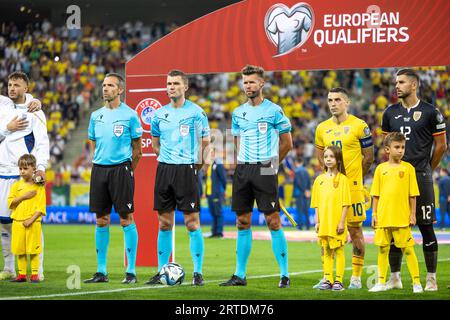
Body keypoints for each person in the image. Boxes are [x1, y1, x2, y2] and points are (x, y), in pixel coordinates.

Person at [219, 65, 293, 288]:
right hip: (243, 169)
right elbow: (237, 141)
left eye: (252, 82)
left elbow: (287, 143)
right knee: (242, 222)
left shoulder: (274, 110)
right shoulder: (238, 113)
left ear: (261, 84)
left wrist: (271, 166)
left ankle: (284, 275)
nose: (248, 85)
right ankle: (239, 275)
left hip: (265, 168)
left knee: (273, 221)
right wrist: (242, 162)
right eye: (245, 82)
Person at [381, 68, 447, 291]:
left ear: (414, 85)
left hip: (421, 176)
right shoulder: (389, 113)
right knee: (394, 228)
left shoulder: (431, 112)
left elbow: (441, 146)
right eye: (395, 82)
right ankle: (395, 278)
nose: (396, 86)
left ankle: (430, 278)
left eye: (401, 82)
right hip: (395, 178)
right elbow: (386, 146)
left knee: (426, 226)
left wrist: (428, 167)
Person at [147, 69, 210, 286]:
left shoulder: (197, 113)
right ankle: (161, 271)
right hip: (165, 170)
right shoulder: (159, 114)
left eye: (175, 83)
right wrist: (167, 158)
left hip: (187, 170)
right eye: (168, 83)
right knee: (164, 224)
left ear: (185, 87)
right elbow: (155, 144)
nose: (170, 87)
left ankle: (198, 273)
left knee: (192, 223)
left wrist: (194, 167)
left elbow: (205, 144)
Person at [84, 73, 143, 284]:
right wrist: (99, 161)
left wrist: (128, 170)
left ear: (120, 90)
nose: (105, 89)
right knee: (101, 219)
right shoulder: (95, 115)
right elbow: (93, 143)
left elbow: (138, 151)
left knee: (126, 218)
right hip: (99, 170)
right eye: (103, 85)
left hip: (121, 170)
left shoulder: (130, 115)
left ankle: (131, 271)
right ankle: (101, 271)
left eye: (110, 85)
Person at [314, 87, 374, 289]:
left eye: (338, 99)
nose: (333, 103)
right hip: (331, 189)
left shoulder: (359, 125)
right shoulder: (322, 128)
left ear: (347, 102)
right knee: (326, 233)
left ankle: (356, 277)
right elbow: (320, 155)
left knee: (355, 231)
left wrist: (355, 179)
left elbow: (369, 157)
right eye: (330, 99)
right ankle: (327, 277)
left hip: (354, 188)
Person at [0, 72, 47, 281]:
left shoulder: (35, 111)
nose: (12, 88)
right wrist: (6, 129)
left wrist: (41, 167)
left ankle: (38, 269)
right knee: (4, 223)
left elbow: (42, 142)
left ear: (26, 88)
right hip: (2, 173)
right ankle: (9, 267)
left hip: (24, 176)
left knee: (32, 223)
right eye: (9, 85)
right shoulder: (2, 107)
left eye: (17, 85)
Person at [369, 132, 423, 293]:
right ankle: (380, 282)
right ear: (387, 149)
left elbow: (412, 194)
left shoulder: (408, 169)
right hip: (384, 217)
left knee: (408, 249)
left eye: (402, 147)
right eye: (397, 147)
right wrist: (374, 214)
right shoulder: (380, 169)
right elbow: (376, 194)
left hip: (401, 217)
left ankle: (416, 283)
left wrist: (412, 214)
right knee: (383, 249)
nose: (400, 150)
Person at [311, 146, 351, 291]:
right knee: (326, 249)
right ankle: (328, 279)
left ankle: (339, 281)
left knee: (339, 250)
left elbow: (346, 204)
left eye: (332, 156)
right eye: (326, 156)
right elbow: (316, 204)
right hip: (324, 222)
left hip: (337, 222)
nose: (328, 159)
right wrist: (317, 222)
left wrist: (341, 222)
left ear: (338, 159)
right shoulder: (319, 180)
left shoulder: (343, 179)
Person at [7, 154, 46, 283]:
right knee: (20, 250)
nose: (22, 171)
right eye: (20, 169)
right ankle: (21, 275)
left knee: (33, 250)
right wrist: (24, 196)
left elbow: (41, 207)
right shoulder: (16, 186)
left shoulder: (39, 186)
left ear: (33, 169)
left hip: (33, 223)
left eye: (25, 168)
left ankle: (35, 274)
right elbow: (11, 204)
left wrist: (31, 220)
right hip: (18, 222)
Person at [205, 146, 227, 238]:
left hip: (216, 193)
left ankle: (219, 232)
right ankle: (214, 231)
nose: (211, 154)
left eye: (212, 152)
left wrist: (223, 190)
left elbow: (223, 178)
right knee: (213, 213)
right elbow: (209, 180)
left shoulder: (218, 164)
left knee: (218, 213)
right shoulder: (211, 165)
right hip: (210, 193)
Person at [293, 157, 311, 230]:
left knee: (299, 210)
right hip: (306, 193)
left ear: (297, 162)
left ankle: (300, 226)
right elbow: (309, 182)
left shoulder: (297, 171)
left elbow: (298, 182)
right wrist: (307, 191)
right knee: (306, 210)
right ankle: (307, 226)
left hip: (299, 193)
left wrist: (303, 191)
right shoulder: (306, 171)